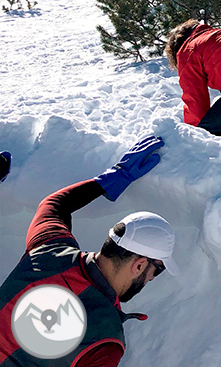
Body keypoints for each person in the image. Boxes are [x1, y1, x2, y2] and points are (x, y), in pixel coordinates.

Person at [0, 136, 175, 367]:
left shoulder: (51, 250)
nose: (152, 278)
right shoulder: (104, 343)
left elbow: (54, 205)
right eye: (157, 270)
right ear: (140, 264)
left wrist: (114, 177)